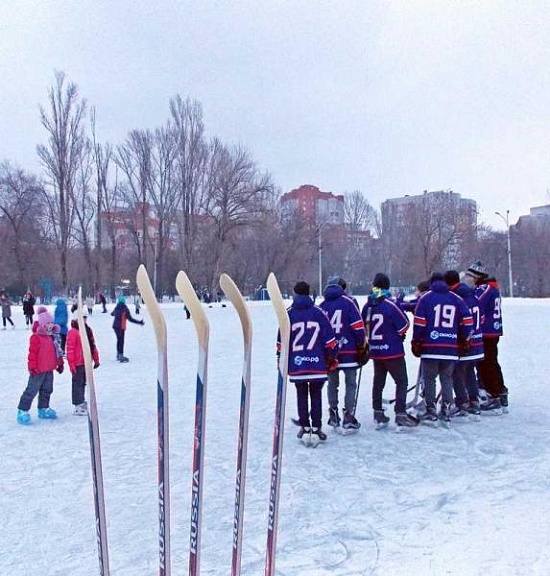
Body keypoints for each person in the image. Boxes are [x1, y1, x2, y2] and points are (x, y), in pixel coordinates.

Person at [411, 272, 473, 426]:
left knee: (430, 378)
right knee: (447, 378)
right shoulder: (456, 299)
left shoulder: (425, 298)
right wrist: (464, 338)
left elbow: (419, 323)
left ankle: (430, 411)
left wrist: (416, 341)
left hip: (430, 347)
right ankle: (446, 410)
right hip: (450, 348)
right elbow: (468, 321)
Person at [281, 281, 338, 442]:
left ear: (295, 293)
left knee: (301, 393)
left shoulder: (288, 314)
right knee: (316, 394)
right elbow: (330, 340)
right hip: (317, 363)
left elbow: (281, 340)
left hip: (297, 364)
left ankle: (305, 426)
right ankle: (316, 427)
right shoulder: (319, 313)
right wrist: (332, 357)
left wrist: (281, 359)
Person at [361, 273, 419, 430]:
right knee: (401, 381)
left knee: (378, 381)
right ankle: (400, 414)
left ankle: (378, 412)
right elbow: (404, 325)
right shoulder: (389, 304)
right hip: (392, 351)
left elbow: (363, 327)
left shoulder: (368, 305)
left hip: (375, 350)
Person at [319, 276, 367, 431]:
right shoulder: (348, 303)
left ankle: (333, 414)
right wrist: (361, 344)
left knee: (332, 383)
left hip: (330, 353)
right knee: (351, 383)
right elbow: (358, 326)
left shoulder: (322, 306)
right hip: (349, 351)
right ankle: (348, 415)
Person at [464, 261, 508, 412]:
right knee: (491, 362)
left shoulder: (484, 289)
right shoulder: (492, 288)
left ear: (477, 276)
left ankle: (493, 393)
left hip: (487, 331)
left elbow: (475, 305)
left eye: (470, 276)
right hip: (493, 330)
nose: (468, 279)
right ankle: (499, 390)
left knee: (485, 363)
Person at [444, 270, 484, 418]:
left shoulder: (458, 297)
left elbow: (460, 321)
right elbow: (483, 318)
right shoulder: (472, 295)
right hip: (478, 342)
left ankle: (462, 403)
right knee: (469, 372)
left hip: (467, 343)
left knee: (457, 373)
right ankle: (474, 401)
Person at [16, 307, 64, 424]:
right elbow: (32, 354)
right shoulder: (36, 337)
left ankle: (43, 408)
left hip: (49, 369)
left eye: (52, 323)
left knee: (47, 390)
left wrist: (60, 363)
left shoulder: (52, 336)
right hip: (38, 370)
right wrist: (32, 367)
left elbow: (57, 352)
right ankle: (23, 410)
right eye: (48, 323)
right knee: (32, 390)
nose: (50, 325)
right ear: (42, 324)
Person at [66, 310, 100, 415]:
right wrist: (71, 364)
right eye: (82, 318)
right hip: (77, 363)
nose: (84, 320)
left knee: (83, 383)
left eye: (85, 318)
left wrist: (96, 358)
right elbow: (70, 349)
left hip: (86, 362)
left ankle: (81, 400)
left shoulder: (87, 331)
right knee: (77, 383)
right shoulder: (73, 332)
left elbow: (92, 345)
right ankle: (77, 404)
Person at [111, 295, 144, 362]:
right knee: (121, 341)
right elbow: (130, 319)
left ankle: (118, 354)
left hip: (115, 326)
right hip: (121, 327)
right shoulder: (125, 309)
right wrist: (139, 322)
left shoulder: (116, 307)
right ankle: (121, 355)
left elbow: (112, 314)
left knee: (119, 340)